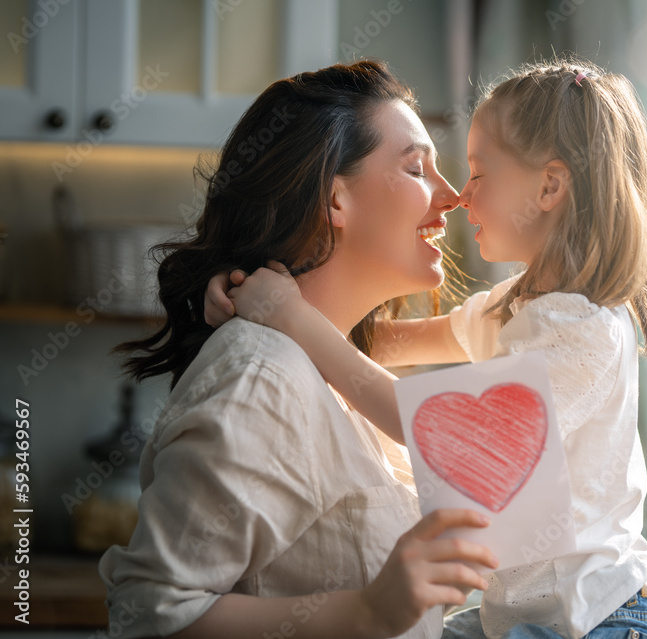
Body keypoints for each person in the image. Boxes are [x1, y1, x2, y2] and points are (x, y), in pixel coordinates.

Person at [206, 59, 647, 639]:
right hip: (526, 617)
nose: (460, 196)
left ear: (549, 187)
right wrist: (255, 299)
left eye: (480, 174)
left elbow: (439, 434)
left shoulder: (581, 330)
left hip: (605, 620)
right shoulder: (515, 306)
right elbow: (378, 344)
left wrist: (291, 317)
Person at [99, 60, 499, 639]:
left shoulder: (331, 366)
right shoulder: (262, 382)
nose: (453, 195)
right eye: (417, 168)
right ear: (335, 199)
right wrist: (366, 614)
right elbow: (147, 614)